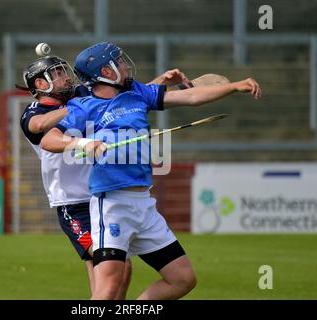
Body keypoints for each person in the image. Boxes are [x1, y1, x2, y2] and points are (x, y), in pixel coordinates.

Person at [40, 41, 261, 300]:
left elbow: (189, 96)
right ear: (106, 72)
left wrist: (235, 86)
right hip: (112, 206)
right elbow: (48, 140)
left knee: (182, 279)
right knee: (108, 289)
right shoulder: (85, 106)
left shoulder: (137, 93)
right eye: (118, 62)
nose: (124, 65)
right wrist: (83, 143)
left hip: (144, 205)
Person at [18, 49, 192, 298]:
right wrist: (79, 109)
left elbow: (121, 102)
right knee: (109, 271)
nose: (66, 78)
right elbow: (36, 127)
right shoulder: (34, 111)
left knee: (119, 272)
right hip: (73, 204)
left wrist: (160, 82)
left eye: (65, 71)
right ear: (40, 83)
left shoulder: (82, 97)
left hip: (101, 194)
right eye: (57, 74)